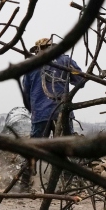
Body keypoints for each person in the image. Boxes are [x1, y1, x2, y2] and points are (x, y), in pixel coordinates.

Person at [19, 38, 85, 188]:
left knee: (33, 148)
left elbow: (26, 94)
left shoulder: (31, 64)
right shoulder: (65, 61)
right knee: (67, 147)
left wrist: (34, 110)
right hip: (62, 111)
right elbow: (81, 81)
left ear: (37, 50)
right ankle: (70, 184)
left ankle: (24, 184)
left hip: (40, 114)